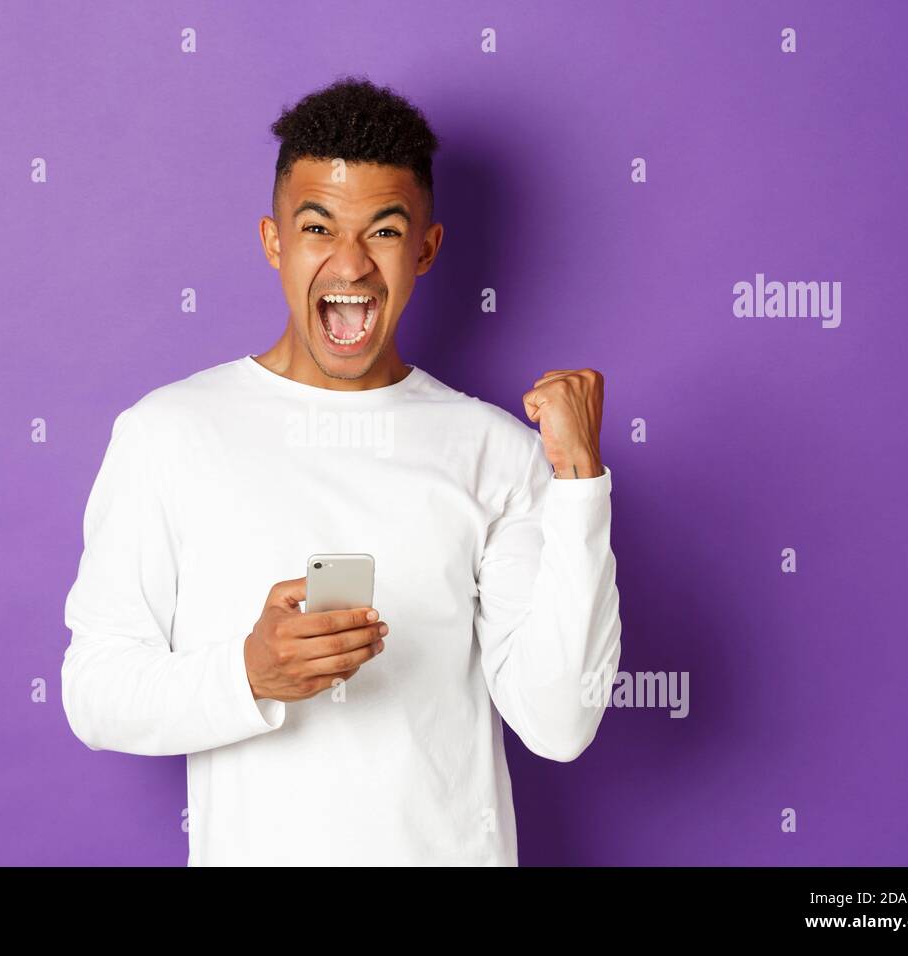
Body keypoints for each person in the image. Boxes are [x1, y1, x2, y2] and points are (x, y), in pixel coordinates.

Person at [61, 75, 622, 865]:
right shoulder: (168, 434)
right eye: (319, 227)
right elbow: (95, 695)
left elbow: (562, 723)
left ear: (425, 249)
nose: (351, 265)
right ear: (274, 242)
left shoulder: (496, 450)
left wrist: (579, 484)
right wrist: (249, 674)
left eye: (384, 233)